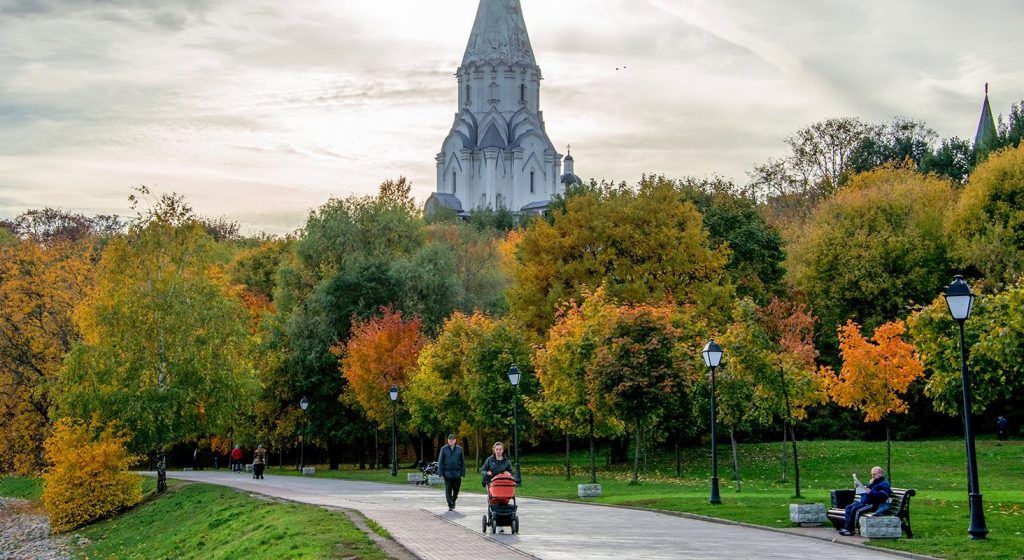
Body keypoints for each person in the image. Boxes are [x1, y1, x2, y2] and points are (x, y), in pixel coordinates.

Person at [839, 466, 891, 536]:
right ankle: (847, 528)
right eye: (872, 474)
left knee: (856, 510)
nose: (872, 476)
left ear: (880, 474)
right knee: (849, 507)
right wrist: (858, 488)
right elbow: (864, 493)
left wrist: (871, 492)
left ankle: (851, 530)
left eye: (874, 474)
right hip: (865, 502)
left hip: (873, 504)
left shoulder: (884, 484)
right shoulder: (873, 483)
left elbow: (883, 496)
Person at [437, 433, 466, 511]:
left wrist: (463, 472)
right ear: (448, 440)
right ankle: (450, 504)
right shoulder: (444, 449)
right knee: (448, 489)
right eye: (449, 439)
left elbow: (463, 461)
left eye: (452, 439)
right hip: (447, 474)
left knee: (456, 489)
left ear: (455, 440)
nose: (451, 441)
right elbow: (440, 461)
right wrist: (440, 473)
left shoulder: (459, 449)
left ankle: (453, 499)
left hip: (457, 473)